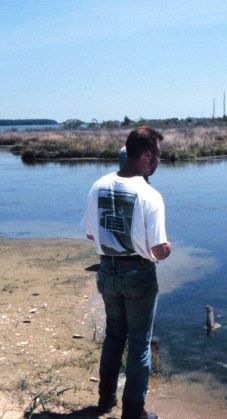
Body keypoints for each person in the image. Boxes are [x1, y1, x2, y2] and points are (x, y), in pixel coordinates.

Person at [81, 126, 172, 419]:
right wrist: (168, 248)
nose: (159, 160)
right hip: (139, 275)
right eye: (158, 154)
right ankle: (134, 411)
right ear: (146, 155)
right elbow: (158, 250)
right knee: (139, 344)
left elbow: (91, 236)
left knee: (113, 337)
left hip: (106, 270)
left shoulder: (99, 185)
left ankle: (106, 400)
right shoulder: (150, 195)